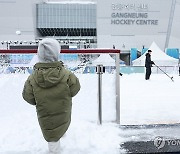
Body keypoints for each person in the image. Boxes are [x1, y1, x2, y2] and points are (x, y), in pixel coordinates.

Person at [22, 38, 81, 154]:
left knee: (51, 136)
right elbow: (75, 88)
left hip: (45, 115)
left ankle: (54, 150)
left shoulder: (32, 78)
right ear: (56, 53)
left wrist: (38, 100)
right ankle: (63, 140)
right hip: (63, 111)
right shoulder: (67, 74)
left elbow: (27, 96)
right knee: (62, 126)